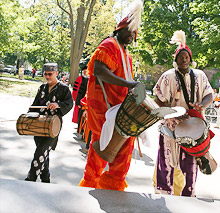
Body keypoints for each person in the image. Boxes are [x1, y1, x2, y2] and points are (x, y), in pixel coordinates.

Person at [79, 0, 142, 191]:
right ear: (119, 29)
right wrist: (129, 84)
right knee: (100, 151)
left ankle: (113, 191)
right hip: (105, 111)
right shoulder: (109, 45)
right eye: (128, 30)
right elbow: (99, 70)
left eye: (134, 32)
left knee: (123, 152)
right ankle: (88, 188)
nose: (131, 35)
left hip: (120, 110)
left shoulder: (125, 53)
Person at [153, 30, 213, 197]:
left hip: (193, 131)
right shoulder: (168, 76)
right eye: (181, 57)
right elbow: (158, 98)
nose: (184, 59)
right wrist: (171, 113)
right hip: (171, 128)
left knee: (190, 166)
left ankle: (188, 197)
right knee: (166, 164)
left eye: (187, 57)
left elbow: (209, 94)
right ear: (176, 60)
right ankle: (164, 197)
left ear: (191, 59)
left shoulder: (200, 76)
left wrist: (202, 105)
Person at [24, 63, 73, 183]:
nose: (47, 76)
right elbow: (34, 106)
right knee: (43, 152)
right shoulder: (42, 88)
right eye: (45, 74)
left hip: (53, 126)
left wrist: (58, 105)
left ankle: (31, 178)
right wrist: (28, 116)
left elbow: (69, 103)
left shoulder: (64, 88)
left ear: (56, 73)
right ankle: (45, 178)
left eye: (50, 74)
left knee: (40, 152)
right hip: (39, 125)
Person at [72, 65, 88, 137]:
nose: (85, 73)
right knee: (79, 115)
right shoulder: (79, 79)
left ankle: (82, 130)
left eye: (86, 71)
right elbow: (77, 90)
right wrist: (76, 100)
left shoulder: (89, 79)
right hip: (80, 99)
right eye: (84, 71)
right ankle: (80, 129)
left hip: (86, 101)